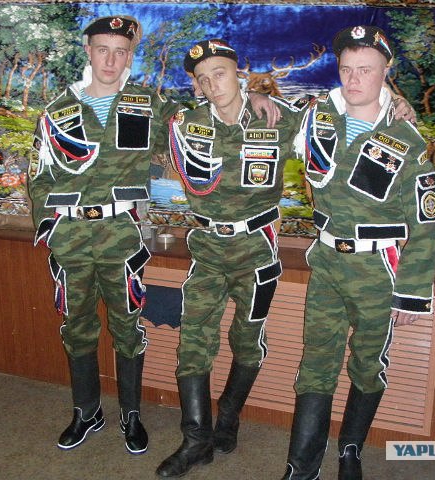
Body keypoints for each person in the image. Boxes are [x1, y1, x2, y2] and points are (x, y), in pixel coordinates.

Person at [280, 26, 435, 480]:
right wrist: (255, 98)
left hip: (377, 270)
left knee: (368, 364)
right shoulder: (316, 117)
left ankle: (350, 451)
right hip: (327, 263)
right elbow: (268, 123)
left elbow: (426, 223)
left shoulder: (407, 139)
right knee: (316, 361)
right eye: (347, 69)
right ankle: (301, 467)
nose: (353, 79)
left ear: (386, 72)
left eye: (365, 70)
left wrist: (412, 293)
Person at [154, 38, 313, 478]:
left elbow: (335, 119)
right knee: (193, 342)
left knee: (247, 339)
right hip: (207, 249)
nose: (212, 84)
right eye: (202, 79)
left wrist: (394, 102)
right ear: (196, 85)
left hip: (256, 251)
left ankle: (228, 417)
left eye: (220, 73)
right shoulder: (184, 123)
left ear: (238, 74)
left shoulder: (276, 118)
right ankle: (195, 441)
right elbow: (130, 108)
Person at [27, 15, 180, 454]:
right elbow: (38, 176)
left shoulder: (148, 103)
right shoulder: (58, 111)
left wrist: (251, 99)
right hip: (71, 235)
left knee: (127, 325)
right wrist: (52, 228)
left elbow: (200, 121)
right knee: (76, 326)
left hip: (120, 233)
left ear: (129, 57)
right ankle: (86, 412)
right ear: (88, 51)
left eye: (120, 51)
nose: (110, 60)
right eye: (102, 50)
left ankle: (131, 415)